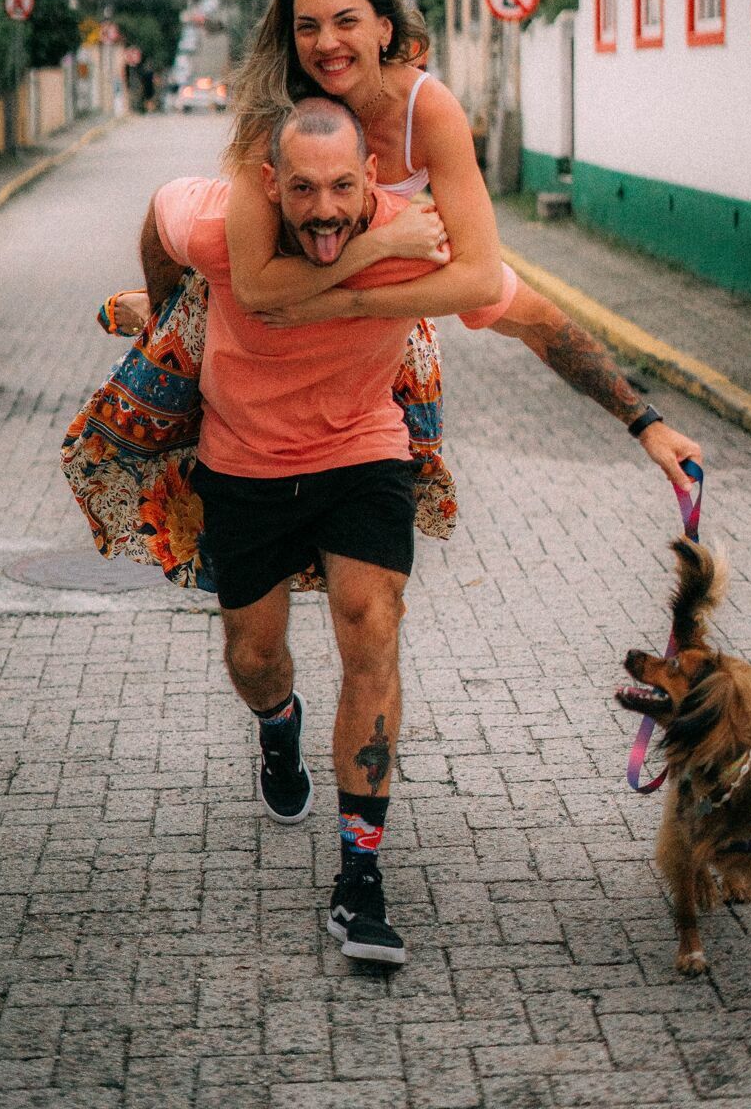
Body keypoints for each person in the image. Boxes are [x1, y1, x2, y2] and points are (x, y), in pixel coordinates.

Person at [114, 0, 701, 488]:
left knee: (512, 315)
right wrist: (166, 309)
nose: (326, 43)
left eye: (346, 22)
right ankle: (183, 304)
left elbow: (481, 279)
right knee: (196, 311)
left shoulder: (427, 110)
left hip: (380, 284)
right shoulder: (276, 117)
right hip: (283, 278)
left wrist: (644, 423)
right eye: (307, 27)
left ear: (384, 29)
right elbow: (212, 250)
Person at [138, 96, 471, 967]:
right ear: (268, 185)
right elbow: (158, 218)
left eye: (341, 187)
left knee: (372, 627)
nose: (323, 210)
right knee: (253, 659)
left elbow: (511, 300)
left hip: (362, 456)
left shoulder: (412, 233)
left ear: (370, 177)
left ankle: (360, 879)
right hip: (243, 464)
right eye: (301, 190)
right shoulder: (220, 230)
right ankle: (278, 724)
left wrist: (644, 422)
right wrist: (166, 319)